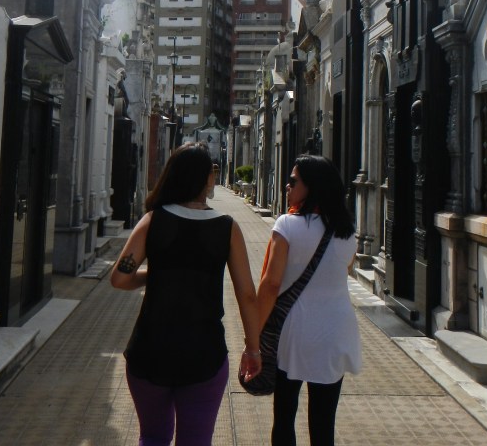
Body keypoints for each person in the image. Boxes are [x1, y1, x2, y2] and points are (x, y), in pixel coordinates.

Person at [111, 142, 262, 446]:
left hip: (149, 349)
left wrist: (157, 274)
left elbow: (120, 278)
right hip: (203, 352)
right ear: (207, 179)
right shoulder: (227, 228)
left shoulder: (153, 220)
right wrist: (253, 348)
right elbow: (246, 294)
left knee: (152, 437)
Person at [256, 155, 362, 446]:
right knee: (324, 424)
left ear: (312, 186)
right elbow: (344, 270)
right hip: (336, 332)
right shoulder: (347, 232)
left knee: (284, 417)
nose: (287, 187)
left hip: (294, 331)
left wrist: (253, 335)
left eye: (294, 181)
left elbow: (270, 284)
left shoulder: (287, 225)